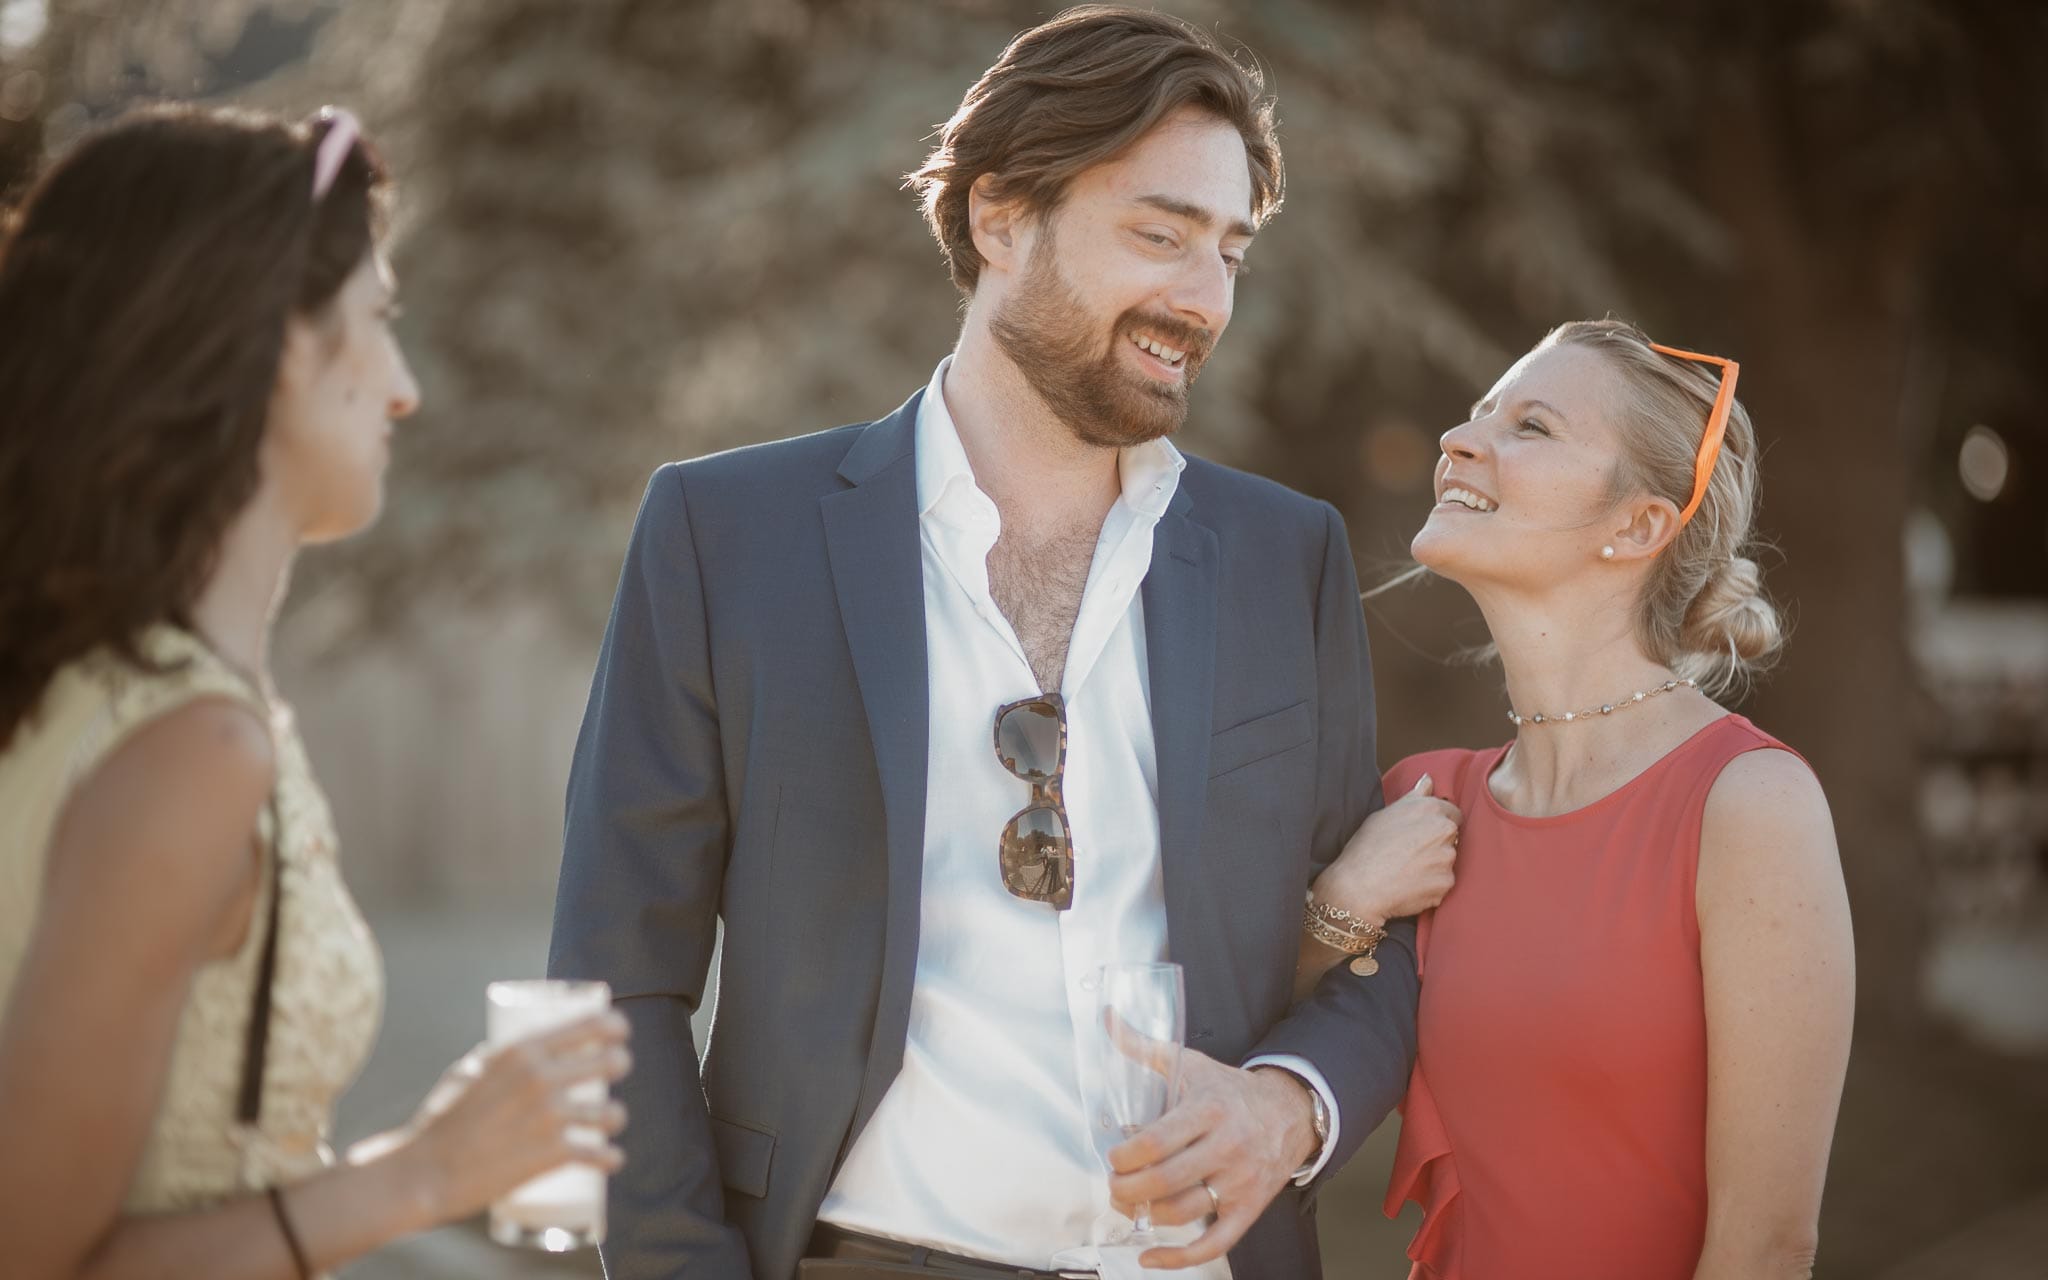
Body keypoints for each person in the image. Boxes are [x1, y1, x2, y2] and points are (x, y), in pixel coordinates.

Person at [547, 7, 1420, 1278]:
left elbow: (1380, 947)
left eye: (1229, 251)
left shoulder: (1285, 557)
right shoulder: (726, 533)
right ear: (1000, 217)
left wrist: (1287, 1104)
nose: (1200, 295)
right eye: (1158, 234)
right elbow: (612, 976)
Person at [0, 104, 630, 1279]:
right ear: (279, 347)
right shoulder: (190, 749)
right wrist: (424, 1172)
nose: (404, 389)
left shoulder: (95, 689)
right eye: (378, 323)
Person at [1301, 319, 1855, 1279]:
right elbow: (1244, 1032)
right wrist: (1342, 900)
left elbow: (1767, 1246)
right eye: (1477, 416)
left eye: (1532, 427)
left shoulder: (1748, 806)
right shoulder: (1422, 802)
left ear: (1637, 525)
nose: (1458, 441)